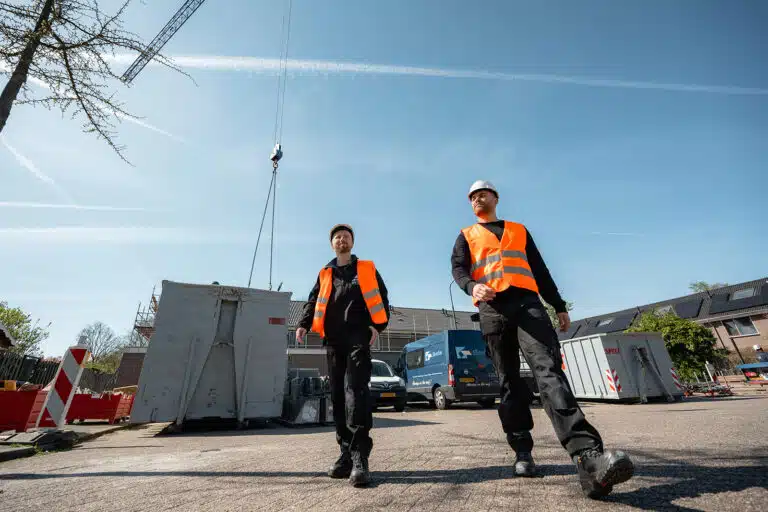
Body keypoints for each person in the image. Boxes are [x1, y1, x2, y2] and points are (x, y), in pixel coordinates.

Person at [450, 180, 634, 499]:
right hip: (492, 309)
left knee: (549, 372)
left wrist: (558, 305)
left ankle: (589, 458)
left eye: (482, 194)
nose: (477, 199)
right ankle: (522, 452)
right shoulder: (466, 234)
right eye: (472, 197)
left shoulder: (519, 230)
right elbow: (458, 268)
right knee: (509, 383)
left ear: (496, 197)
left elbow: (539, 269)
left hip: (527, 305)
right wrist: (471, 287)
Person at [296, 224, 390, 487]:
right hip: (333, 340)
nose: (341, 240)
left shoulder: (367, 269)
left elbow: (382, 298)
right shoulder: (325, 272)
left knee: (356, 392)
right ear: (332, 244)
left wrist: (377, 326)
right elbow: (313, 300)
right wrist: (303, 323)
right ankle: (345, 455)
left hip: (358, 335)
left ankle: (360, 457)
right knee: (337, 395)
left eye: (346, 236)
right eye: (337, 237)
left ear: (352, 242)